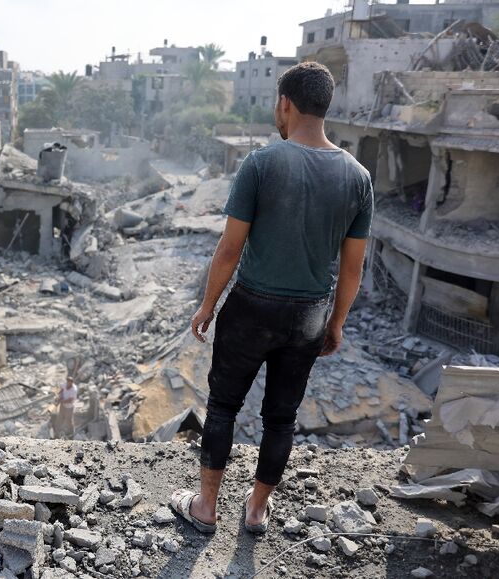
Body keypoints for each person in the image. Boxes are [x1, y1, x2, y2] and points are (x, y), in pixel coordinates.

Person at [170, 62, 374, 535]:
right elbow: (352, 267)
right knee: (281, 418)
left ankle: (205, 507)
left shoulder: (262, 163)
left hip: (252, 308)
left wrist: (207, 306)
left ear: (285, 103)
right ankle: (257, 510)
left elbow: (229, 249)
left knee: (223, 406)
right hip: (308, 316)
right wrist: (336, 322)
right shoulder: (358, 177)